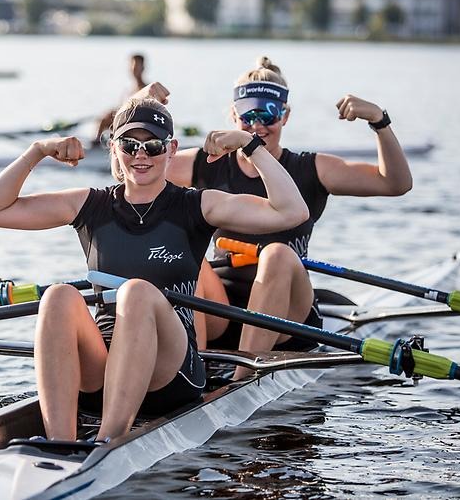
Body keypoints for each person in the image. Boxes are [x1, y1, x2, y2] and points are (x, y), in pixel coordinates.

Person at [0, 84, 309, 441]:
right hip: (101, 366)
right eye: (130, 146)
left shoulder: (197, 205)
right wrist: (36, 152)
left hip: (171, 372)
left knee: (136, 292)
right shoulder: (89, 204)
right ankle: (60, 444)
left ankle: (107, 441)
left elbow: (292, 211)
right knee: (57, 296)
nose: (141, 155)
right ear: (115, 149)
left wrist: (249, 144)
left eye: (153, 145)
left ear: (171, 150)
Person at [166, 56, 413, 379]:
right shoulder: (204, 162)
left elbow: (395, 183)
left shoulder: (310, 169)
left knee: (278, 254)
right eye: (248, 115)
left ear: (285, 115)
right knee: (184, 250)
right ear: (232, 115)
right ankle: (191, 371)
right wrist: (142, 106)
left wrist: (379, 121)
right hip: (221, 309)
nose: (258, 126)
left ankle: (242, 382)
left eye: (268, 114)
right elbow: (133, 171)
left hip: (288, 316)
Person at [92, 53, 148, 146]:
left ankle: (98, 142)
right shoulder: (128, 90)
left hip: (136, 124)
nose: (134, 71)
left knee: (106, 119)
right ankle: (99, 140)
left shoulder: (146, 89)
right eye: (132, 67)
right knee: (104, 117)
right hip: (124, 121)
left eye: (136, 67)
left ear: (143, 68)